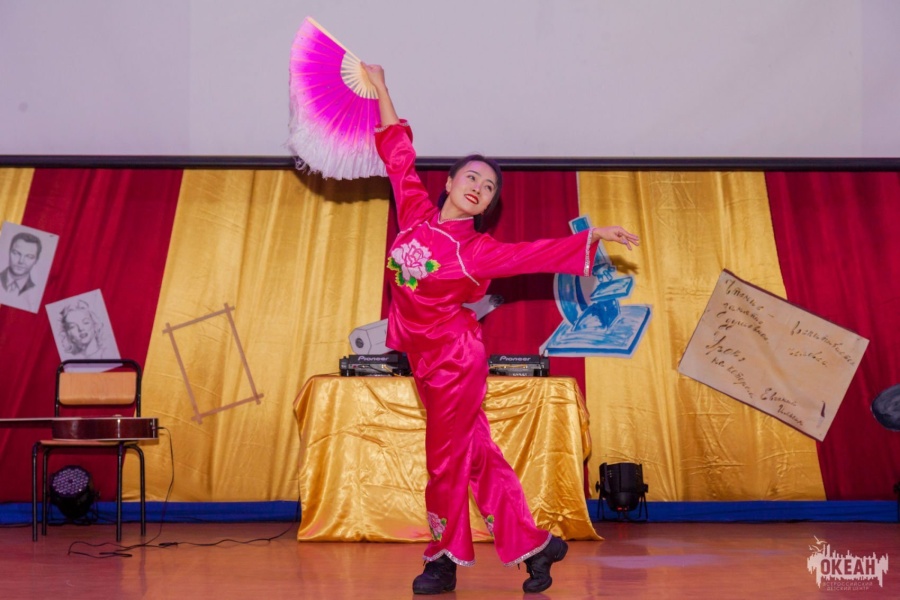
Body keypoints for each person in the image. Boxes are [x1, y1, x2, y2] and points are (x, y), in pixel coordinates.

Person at [363, 64, 640, 595]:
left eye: (489, 187)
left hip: (455, 361)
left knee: (445, 461)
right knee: (475, 458)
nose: (479, 188)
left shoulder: (477, 251)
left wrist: (591, 237)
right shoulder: (415, 213)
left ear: (490, 204)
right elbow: (398, 154)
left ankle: (442, 559)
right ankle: (537, 546)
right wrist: (381, 89)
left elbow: (532, 254)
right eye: (471, 178)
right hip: (423, 361)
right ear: (449, 183)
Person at [0, 232, 42, 296]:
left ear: (36, 260)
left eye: (29, 256)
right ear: (9, 252)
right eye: (16, 253)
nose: (21, 261)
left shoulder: (36, 291)